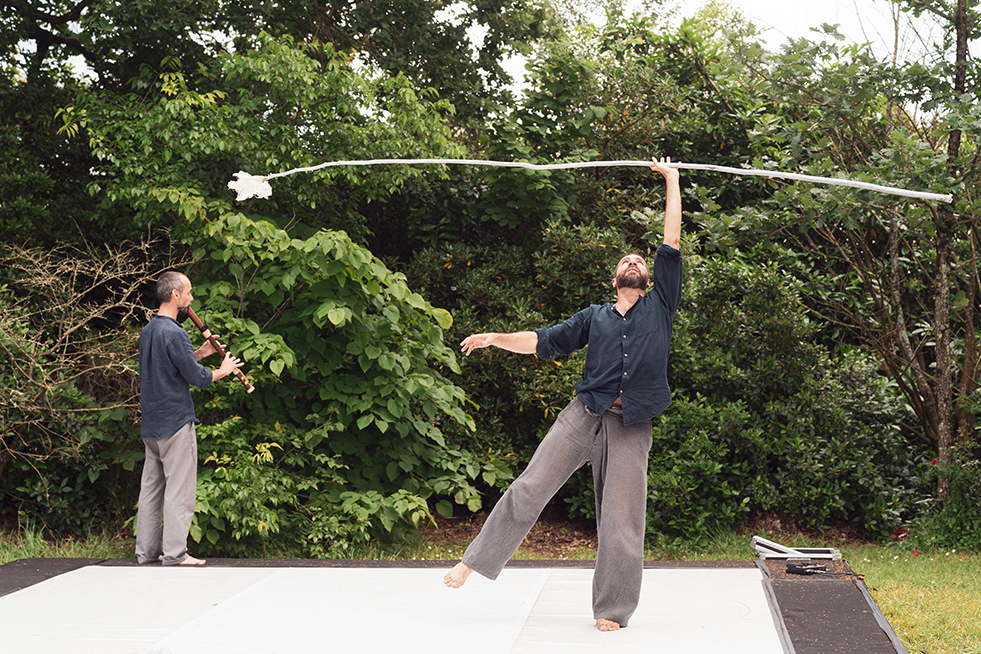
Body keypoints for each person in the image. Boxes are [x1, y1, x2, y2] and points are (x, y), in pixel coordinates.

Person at [443, 158, 683, 632]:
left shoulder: (661, 306)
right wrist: (497, 338)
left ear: (650, 278)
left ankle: (611, 610)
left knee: (621, 522)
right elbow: (542, 340)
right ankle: (473, 562)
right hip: (583, 415)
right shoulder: (595, 316)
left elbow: (670, 240)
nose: (633, 262)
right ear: (615, 281)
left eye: (639, 261)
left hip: (631, 425)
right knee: (529, 487)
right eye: (624, 262)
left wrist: (672, 179)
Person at [135, 271, 243, 566]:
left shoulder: (150, 331)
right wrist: (225, 368)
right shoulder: (175, 332)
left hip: (153, 423)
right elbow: (198, 379)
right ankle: (175, 554)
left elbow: (172, 366)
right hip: (175, 422)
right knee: (179, 490)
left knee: (151, 489)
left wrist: (201, 352)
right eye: (189, 292)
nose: (191, 298)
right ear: (175, 296)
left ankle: (145, 552)